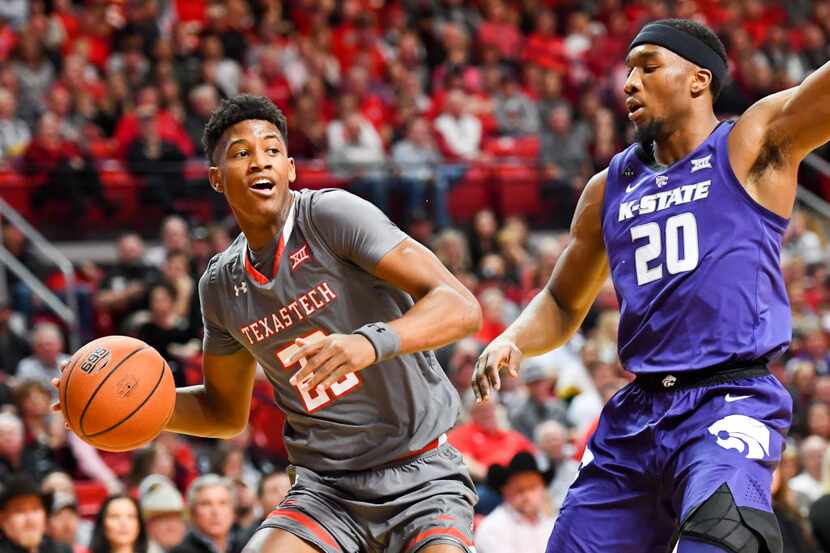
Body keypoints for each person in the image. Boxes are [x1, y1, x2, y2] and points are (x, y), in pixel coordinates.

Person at [52, 94, 482, 553]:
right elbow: (223, 412)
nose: (261, 162)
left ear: (291, 168)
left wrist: (370, 343)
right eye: (242, 153)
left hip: (421, 474)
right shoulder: (219, 286)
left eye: (272, 150)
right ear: (217, 179)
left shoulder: (331, 216)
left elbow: (460, 306)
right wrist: (125, 405)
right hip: (327, 490)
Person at [473, 17, 826, 553]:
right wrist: (513, 338)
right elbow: (562, 299)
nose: (629, 83)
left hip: (728, 398)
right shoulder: (607, 187)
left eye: (648, 67)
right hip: (636, 414)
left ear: (698, 79)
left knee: (725, 538)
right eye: (628, 70)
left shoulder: (752, 144)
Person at [474, 452, 556, 553]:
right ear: (505, 491)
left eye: (532, 487)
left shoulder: (551, 524)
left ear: (543, 488)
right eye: (519, 489)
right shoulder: (492, 528)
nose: (526, 495)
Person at [0, 474, 71, 553]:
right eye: (19, 510)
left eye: (35, 509)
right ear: (2, 519)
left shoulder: (61, 550)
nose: (30, 519)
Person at [170, 475, 241, 553]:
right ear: (192, 512)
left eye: (222, 503)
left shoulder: (248, 545)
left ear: (233, 511)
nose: (215, 511)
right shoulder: (180, 551)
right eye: (206, 504)